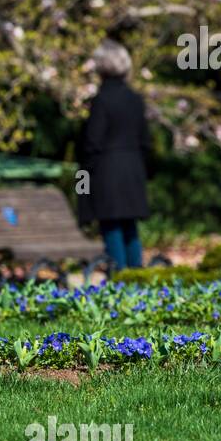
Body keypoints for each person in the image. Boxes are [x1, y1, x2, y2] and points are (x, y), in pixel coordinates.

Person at [77, 39, 150, 270]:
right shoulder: (135, 99)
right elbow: (145, 140)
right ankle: (136, 277)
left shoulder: (101, 100)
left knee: (111, 227)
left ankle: (117, 279)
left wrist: (82, 185)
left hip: (107, 172)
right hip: (133, 169)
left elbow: (91, 143)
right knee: (130, 228)